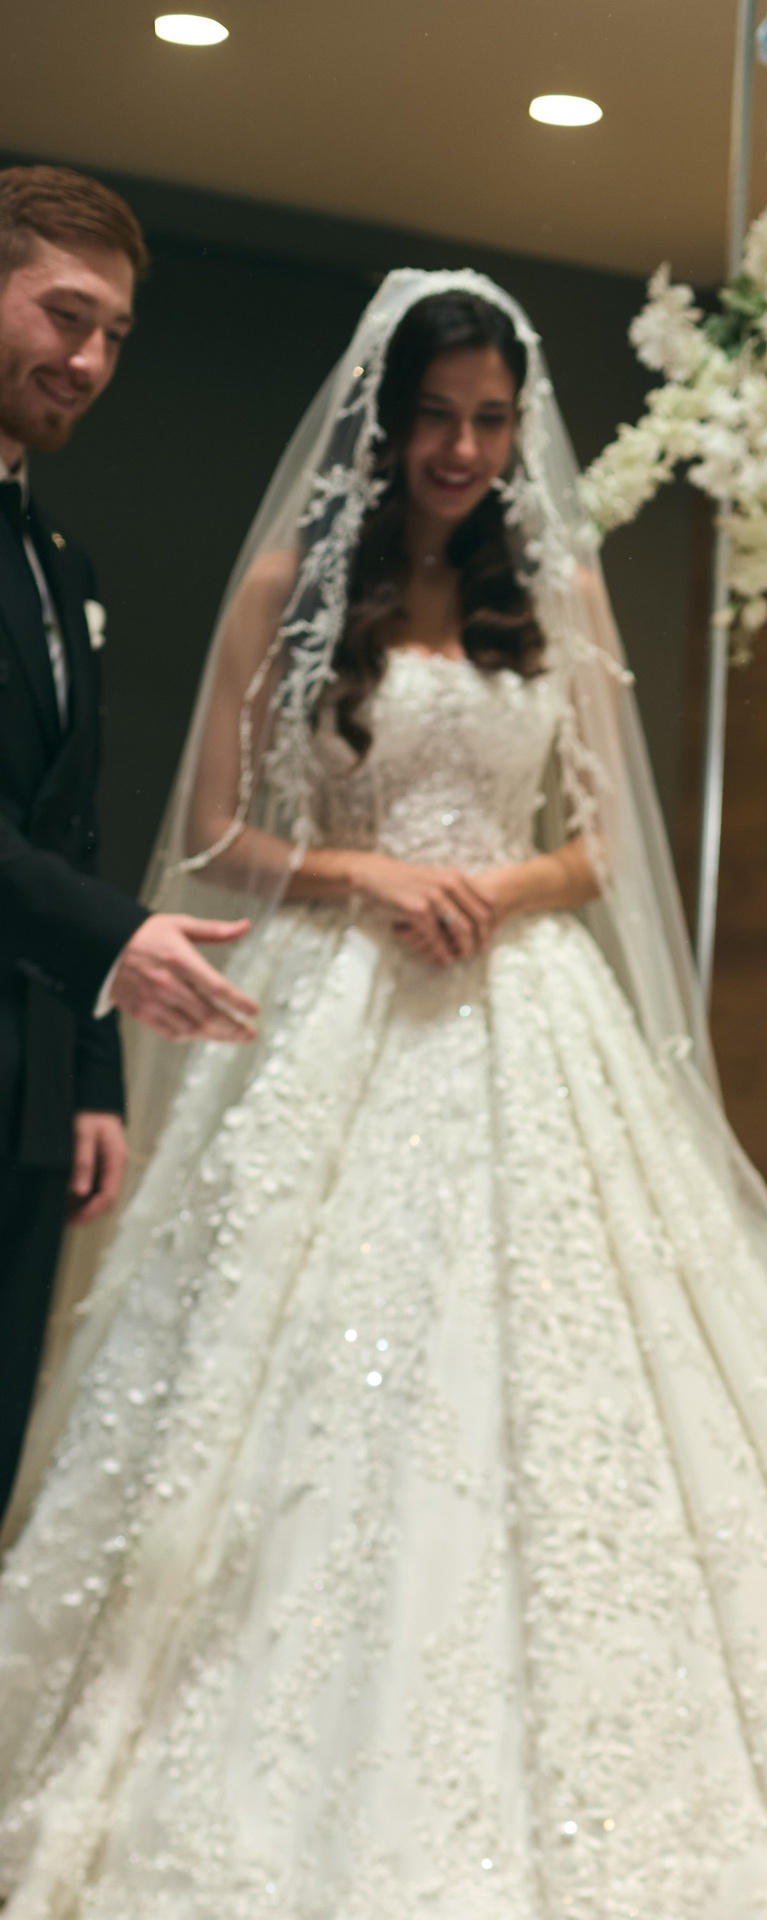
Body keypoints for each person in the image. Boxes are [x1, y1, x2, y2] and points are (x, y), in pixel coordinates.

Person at [0, 269, 767, 1920]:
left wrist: (499, 888)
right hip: (339, 999)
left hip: (520, 1000)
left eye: (489, 421)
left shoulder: (562, 594)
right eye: (437, 418)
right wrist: (366, 876)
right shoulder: (290, 587)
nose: (461, 450)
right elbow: (216, 827)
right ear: (385, 426)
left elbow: (603, 838)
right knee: (282, 1382)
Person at [0, 165, 260, 1519]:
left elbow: (70, 824)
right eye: (64, 316)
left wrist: (93, 1077)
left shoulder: (59, 561)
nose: (90, 361)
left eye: (113, 334)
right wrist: (120, 938)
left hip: (31, 1083)